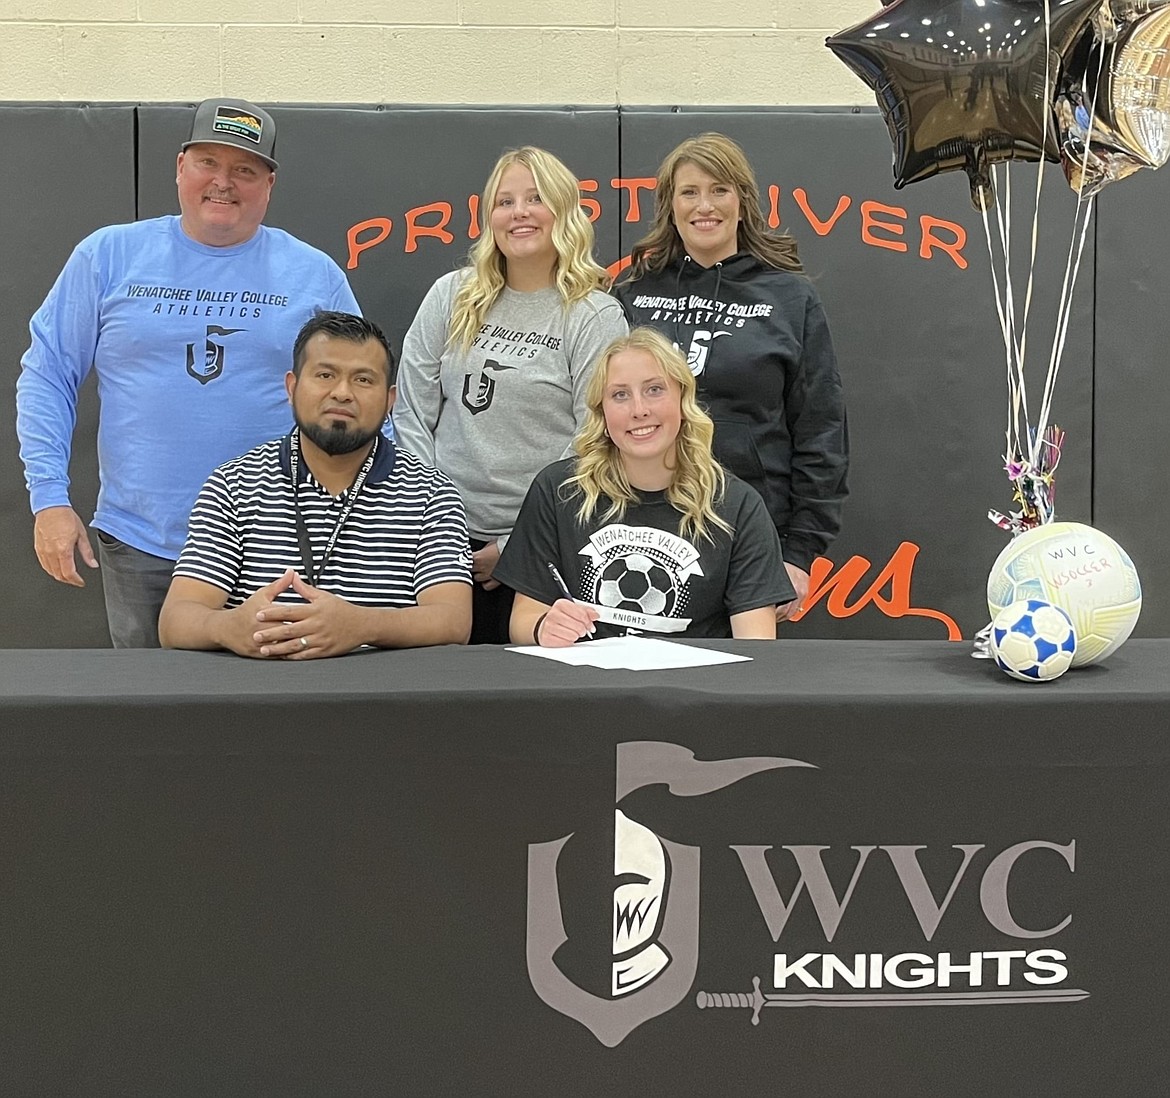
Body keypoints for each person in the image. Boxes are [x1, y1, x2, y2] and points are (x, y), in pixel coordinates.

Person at [16, 97, 361, 648]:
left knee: (272, 719)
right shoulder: (107, 256)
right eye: (208, 163)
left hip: (279, 541)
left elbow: (361, 401)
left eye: (244, 170)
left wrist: (387, 514)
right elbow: (47, 374)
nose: (223, 183)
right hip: (143, 542)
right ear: (180, 168)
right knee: (153, 717)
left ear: (268, 185)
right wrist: (50, 499)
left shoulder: (313, 274)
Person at [393, 145, 628, 643]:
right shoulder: (451, 295)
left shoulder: (594, 316)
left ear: (563, 211)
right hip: (434, 543)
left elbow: (590, 440)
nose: (519, 212)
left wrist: (517, 544)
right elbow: (411, 410)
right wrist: (435, 522)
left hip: (541, 547)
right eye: (505, 201)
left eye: (535, 198)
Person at [612, 132, 848, 622]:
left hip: (752, 531)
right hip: (638, 528)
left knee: (745, 687)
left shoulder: (790, 298)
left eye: (719, 190)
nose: (705, 206)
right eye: (689, 192)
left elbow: (821, 430)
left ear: (743, 201)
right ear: (669, 205)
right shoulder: (632, 293)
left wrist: (800, 554)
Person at [158, 312, 471, 658]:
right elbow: (176, 620)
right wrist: (228, 627)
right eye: (325, 375)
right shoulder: (233, 485)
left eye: (363, 380)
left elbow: (454, 620)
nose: (342, 393)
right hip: (261, 695)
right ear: (291, 387)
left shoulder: (431, 493)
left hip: (384, 699)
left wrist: (362, 626)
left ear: (389, 401)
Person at [494, 328, 792, 646]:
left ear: (683, 399)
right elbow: (523, 622)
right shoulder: (558, 490)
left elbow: (757, 647)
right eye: (620, 395)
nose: (639, 410)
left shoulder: (738, 506)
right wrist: (544, 628)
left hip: (691, 691)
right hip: (583, 688)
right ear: (601, 412)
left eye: (654, 390)